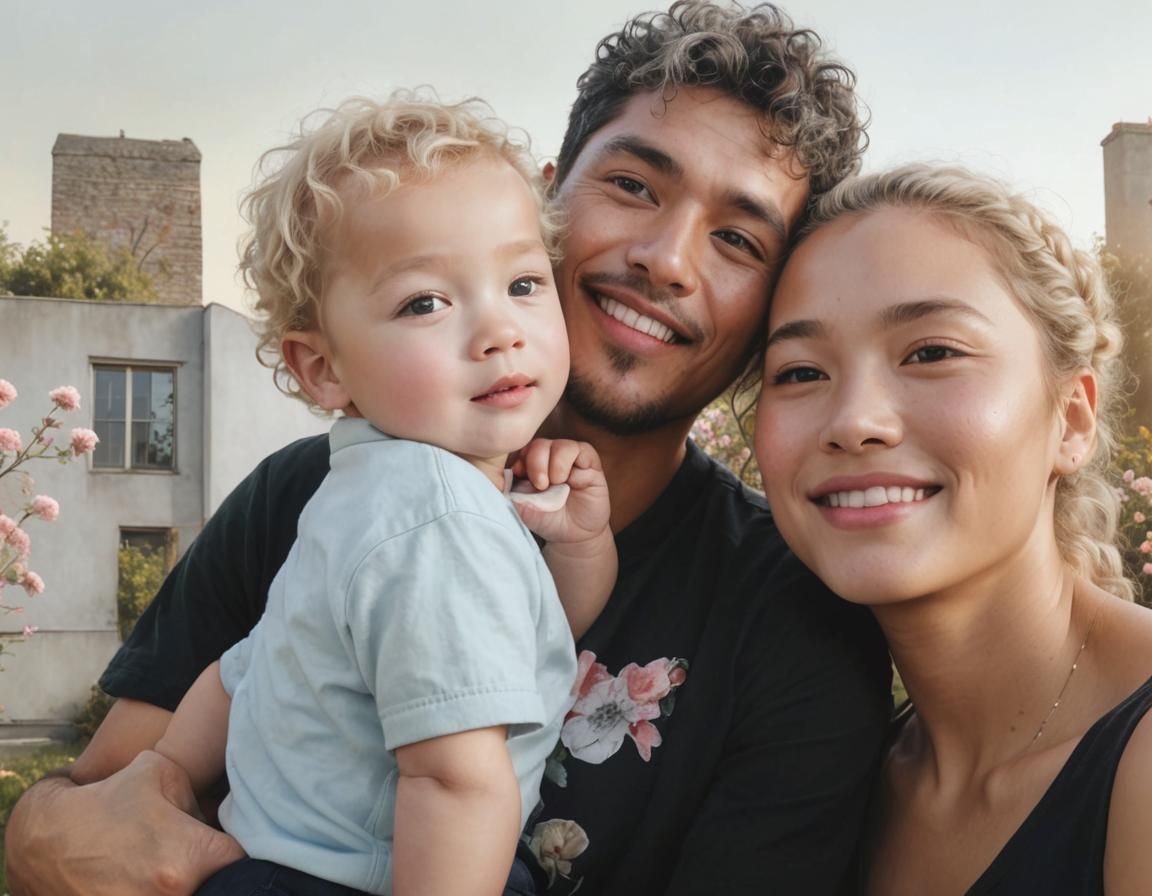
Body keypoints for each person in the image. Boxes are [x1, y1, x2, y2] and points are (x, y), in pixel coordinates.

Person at [5, 4, 892, 895]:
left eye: (737, 239)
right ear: (545, 202)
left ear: (773, 303)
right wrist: (50, 830)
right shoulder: (306, 497)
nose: (667, 259)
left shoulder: (791, 623)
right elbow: (95, 811)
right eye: (633, 186)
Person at [147, 94, 617, 896]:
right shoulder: (436, 515)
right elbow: (456, 781)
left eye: (523, 282)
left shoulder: (363, 493)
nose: (499, 331)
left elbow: (241, 674)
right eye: (424, 302)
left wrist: (166, 774)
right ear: (323, 368)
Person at [754, 163, 1152, 894]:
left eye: (932, 353)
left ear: (1072, 419)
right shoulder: (835, 777)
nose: (854, 421)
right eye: (801, 372)